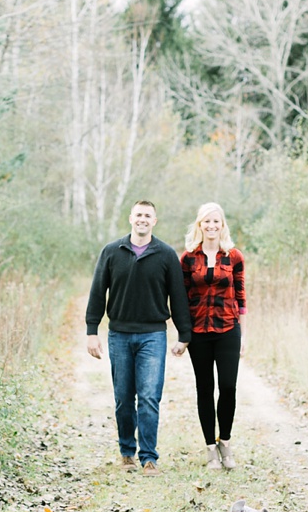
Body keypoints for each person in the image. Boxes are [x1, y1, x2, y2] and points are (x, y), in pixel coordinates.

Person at [86, 200, 191, 474]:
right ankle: (126, 453)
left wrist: (184, 334)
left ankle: (148, 457)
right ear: (131, 218)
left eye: (148, 216)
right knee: (123, 397)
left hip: (153, 336)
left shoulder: (166, 254)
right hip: (119, 334)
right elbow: (98, 292)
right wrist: (91, 331)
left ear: (154, 221)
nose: (143, 219)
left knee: (148, 398)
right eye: (139, 215)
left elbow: (178, 297)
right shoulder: (112, 251)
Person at [180, 202, 246, 469]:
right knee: (205, 389)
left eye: (216, 221)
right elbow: (182, 299)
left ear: (222, 225)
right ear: (199, 225)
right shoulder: (187, 258)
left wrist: (244, 335)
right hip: (199, 332)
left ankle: (225, 444)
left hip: (228, 329)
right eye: (206, 221)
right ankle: (210, 449)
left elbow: (241, 297)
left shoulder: (234, 256)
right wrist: (183, 336)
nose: (211, 226)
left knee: (228, 387)